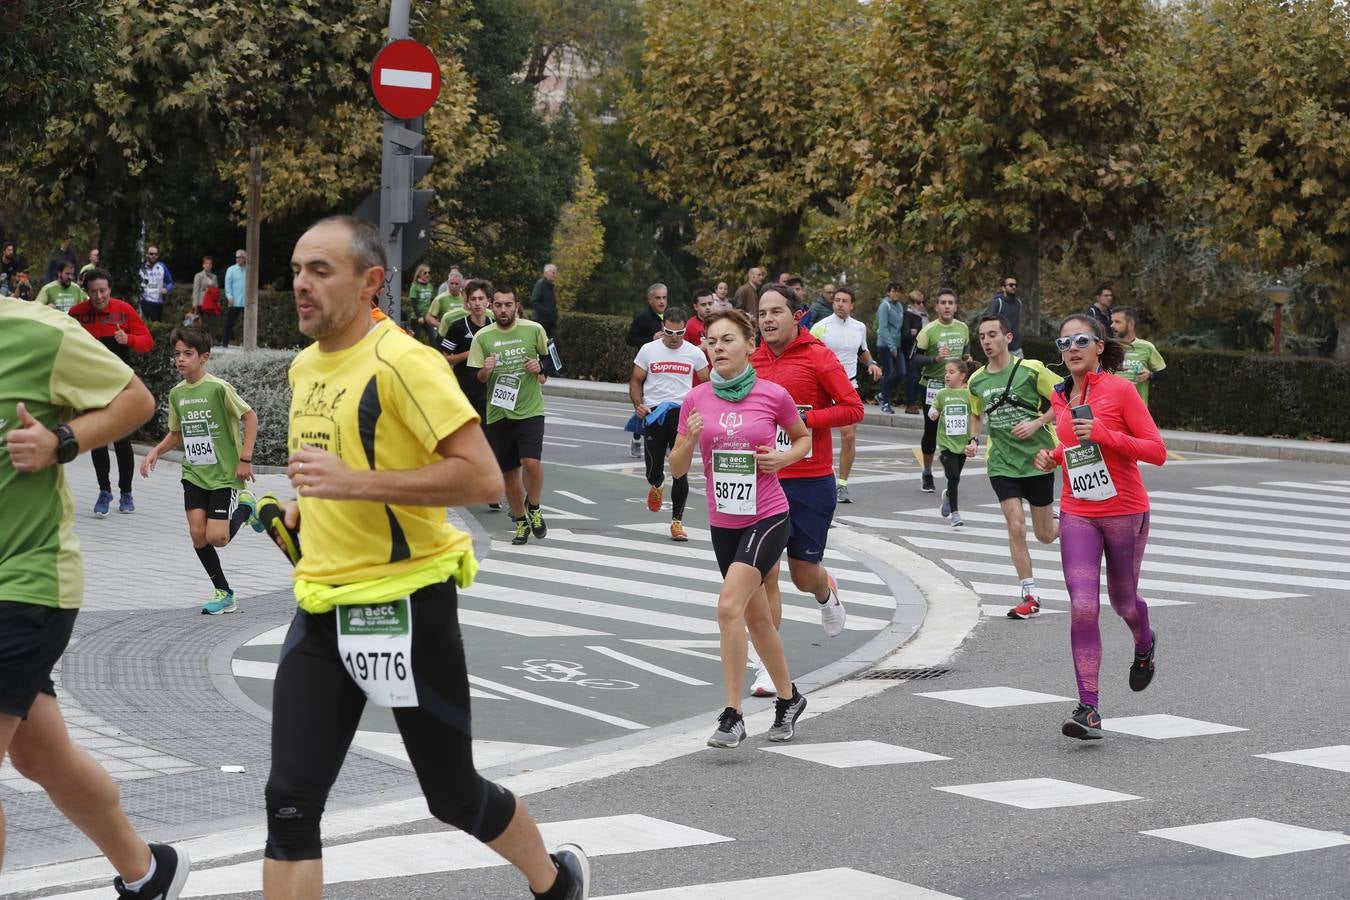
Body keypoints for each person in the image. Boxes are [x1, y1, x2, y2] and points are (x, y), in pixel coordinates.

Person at [262, 216, 590, 899]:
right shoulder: (303, 365)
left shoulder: (402, 361)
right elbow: (337, 467)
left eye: (321, 270)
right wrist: (305, 510)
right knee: (290, 801)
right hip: (323, 607)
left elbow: (476, 477)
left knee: (452, 795)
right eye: (296, 269)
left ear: (371, 281)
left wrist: (355, 484)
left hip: (405, 607)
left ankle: (555, 883)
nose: (301, 284)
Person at [0, 294, 190, 897]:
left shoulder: (37, 332)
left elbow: (136, 399)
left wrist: (62, 441)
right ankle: (148, 873)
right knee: (41, 756)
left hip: (24, 581)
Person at [669, 309, 811, 749]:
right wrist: (689, 441)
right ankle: (789, 699)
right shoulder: (696, 400)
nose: (718, 348)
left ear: (750, 345)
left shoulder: (773, 395)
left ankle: (732, 715)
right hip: (722, 520)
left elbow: (802, 439)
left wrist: (782, 459)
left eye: (728, 340)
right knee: (755, 616)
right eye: (711, 341)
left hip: (767, 515)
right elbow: (675, 468)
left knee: (729, 608)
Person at [1034, 314, 1165, 740]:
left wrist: (1107, 434)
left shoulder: (1122, 390)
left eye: (1081, 340)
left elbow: (1156, 451)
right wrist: (1052, 457)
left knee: (1123, 602)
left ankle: (1144, 643)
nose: (1071, 348)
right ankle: (1088, 707)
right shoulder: (1061, 397)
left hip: (1125, 511)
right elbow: (1074, 447)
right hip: (1078, 511)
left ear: (1099, 347)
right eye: (1064, 343)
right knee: (1083, 606)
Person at [750, 285, 858, 693]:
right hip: (763, 479)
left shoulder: (818, 357)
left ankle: (825, 591)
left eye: (776, 311)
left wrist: (803, 422)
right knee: (764, 574)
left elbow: (853, 408)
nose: (767, 320)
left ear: (797, 316)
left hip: (810, 479)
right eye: (762, 313)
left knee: (802, 574)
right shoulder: (752, 359)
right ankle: (767, 666)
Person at [140, 327, 260, 614]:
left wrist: (245, 458)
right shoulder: (177, 394)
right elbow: (176, 433)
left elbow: (250, 416)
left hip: (223, 475)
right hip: (194, 473)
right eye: (177, 354)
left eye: (188, 354)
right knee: (197, 534)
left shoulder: (219, 388)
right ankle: (224, 592)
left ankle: (246, 507)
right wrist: (156, 450)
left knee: (217, 538)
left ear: (204, 357)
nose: (180, 359)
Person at [968, 314, 1062, 618]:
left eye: (993, 335)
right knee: (1016, 525)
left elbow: (1064, 400)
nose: (987, 341)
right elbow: (977, 413)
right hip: (1002, 463)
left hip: (1038, 459)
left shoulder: (1031, 370)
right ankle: (1029, 594)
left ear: (1008, 338)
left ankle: (1071, 519)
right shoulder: (976, 380)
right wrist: (973, 439)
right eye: (982, 336)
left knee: (1045, 534)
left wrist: (1036, 424)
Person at [470, 286, 552, 546]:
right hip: (498, 413)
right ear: (491, 307)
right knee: (508, 473)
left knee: (531, 463)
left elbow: (552, 363)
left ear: (517, 305)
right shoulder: (482, 337)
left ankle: (535, 507)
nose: (503, 310)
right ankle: (519, 521)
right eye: (499, 305)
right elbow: (478, 378)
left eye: (508, 305)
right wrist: (486, 370)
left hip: (530, 410)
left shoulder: (534, 329)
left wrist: (539, 366)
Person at [69, 269, 154, 516]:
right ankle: (104, 491)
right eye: (93, 291)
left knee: (122, 440)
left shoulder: (123, 310)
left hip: (121, 384)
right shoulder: (77, 314)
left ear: (110, 289)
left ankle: (126, 492)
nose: (98, 296)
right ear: (87, 291)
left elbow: (147, 341)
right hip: (92, 384)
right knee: (98, 439)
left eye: (103, 291)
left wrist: (127, 339)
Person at [630, 307, 709, 541]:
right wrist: (639, 405)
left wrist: (702, 409)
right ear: (662, 328)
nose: (674, 338)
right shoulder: (649, 350)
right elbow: (635, 380)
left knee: (680, 471)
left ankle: (677, 522)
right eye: (669, 332)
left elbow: (706, 384)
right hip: (654, 413)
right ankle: (657, 484)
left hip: (681, 414)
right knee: (653, 470)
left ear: (686, 329)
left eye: (680, 333)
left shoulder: (694, 353)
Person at [809, 285, 881, 503]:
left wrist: (871, 363)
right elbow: (808, 352)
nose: (839, 304)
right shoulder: (821, 327)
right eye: (836, 300)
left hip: (848, 385)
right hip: (823, 386)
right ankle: (818, 478)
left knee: (848, 435)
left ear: (852, 305)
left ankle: (842, 484)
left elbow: (861, 350)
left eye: (844, 300)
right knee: (817, 435)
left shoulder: (859, 327)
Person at [910, 288, 970, 492]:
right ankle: (927, 471)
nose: (946, 306)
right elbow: (914, 359)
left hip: (957, 389)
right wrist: (933, 359)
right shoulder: (928, 330)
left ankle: (952, 475)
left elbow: (966, 351)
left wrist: (967, 360)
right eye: (943, 302)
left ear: (956, 307)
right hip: (933, 386)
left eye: (950, 303)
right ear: (936, 307)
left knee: (957, 430)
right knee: (931, 430)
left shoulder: (962, 328)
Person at [928, 360, 980, 527]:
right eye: (946, 372)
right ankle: (955, 514)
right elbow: (932, 409)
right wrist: (934, 413)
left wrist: (973, 439)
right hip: (946, 444)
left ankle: (948, 498)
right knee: (954, 476)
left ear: (962, 376)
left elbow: (975, 416)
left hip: (962, 444)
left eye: (951, 372)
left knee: (954, 480)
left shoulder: (968, 395)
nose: (947, 375)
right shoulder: (942, 393)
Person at [440, 278, 493, 423]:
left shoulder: (494, 325)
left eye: (481, 299)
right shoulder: (458, 327)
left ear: (488, 301)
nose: (477, 303)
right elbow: (444, 358)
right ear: (467, 302)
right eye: (473, 299)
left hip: (488, 389)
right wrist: (468, 354)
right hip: (464, 387)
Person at [625, 284, 669, 458]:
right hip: (646, 368)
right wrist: (650, 339)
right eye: (658, 298)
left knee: (664, 404)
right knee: (645, 404)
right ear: (650, 299)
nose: (661, 301)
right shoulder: (643, 317)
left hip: (664, 368)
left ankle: (663, 441)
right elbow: (630, 339)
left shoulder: (669, 317)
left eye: (664, 297)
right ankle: (636, 438)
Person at [1110, 307, 1167, 406]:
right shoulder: (1107, 347)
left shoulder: (1147, 347)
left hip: (1137, 408)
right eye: (1112, 322)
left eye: (1117, 322)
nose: (1112, 325)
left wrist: (1150, 375)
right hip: (1111, 408)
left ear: (1131, 324)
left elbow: (1164, 374)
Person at [875, 283, 905, 414]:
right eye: (894, 291)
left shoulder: (899, 306)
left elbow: (899, 327)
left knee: (902, 373)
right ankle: (885, 403)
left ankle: (882, 394)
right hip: (885, 345)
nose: (896, 294)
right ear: (888, 292)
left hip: (897, 346)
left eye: (899, 291)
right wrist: (891, 346)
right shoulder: (884, 306)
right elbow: (883, 328)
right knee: (889, 372)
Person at [901, 289, 928, 413]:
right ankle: (910, 404)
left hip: (923, 351)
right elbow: (906, 334)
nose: (921, 305)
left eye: (923, 302)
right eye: (918, 303)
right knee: (913, 377)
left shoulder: (924, 316)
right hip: (911, 351)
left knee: (919, 378)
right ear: (912, 303)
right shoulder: (908, 314)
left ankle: (915, 402)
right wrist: (917, 334)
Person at [984, 276, 1025, 357]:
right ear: (1003, 288)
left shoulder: (1018, 303)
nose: (1014, 287)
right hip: (1001, 348)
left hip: (1017, 348)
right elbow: (987, 323)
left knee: (1021, 369)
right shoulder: (998, 302)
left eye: (1015, 285)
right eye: (1011, 285)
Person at [427, 269, 468, 335]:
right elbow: (429, 317)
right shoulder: (440, 298)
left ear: (461, 285)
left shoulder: (465, 297)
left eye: (456, 284)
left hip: (463, 333)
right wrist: (440, 325)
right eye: (451, 283)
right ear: (448, 283)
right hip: (446, 334)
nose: (453, 286)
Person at [138, 245, 173, 322]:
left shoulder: (162, 267)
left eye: (156, 254)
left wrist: (166, 289)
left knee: (157, 324)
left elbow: (170, 282)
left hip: (158, 302)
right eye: (151, 254)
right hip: (145, 300)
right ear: (147, 254)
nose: (153, 256)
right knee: (149, 323)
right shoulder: (141, 267)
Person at [405, 263, 437, 343]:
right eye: (425, 272)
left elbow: (433, 301)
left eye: (429, 272)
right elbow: (413, 303)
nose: (427, 274)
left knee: (433, 338)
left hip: (427, 316)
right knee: (415, 339)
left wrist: (433, 315)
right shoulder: (415, 286)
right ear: (419, 274)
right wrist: (419, 316)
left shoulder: (430, 286)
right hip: (416, 317)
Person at [222, 250, 247, 348]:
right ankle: (225, 343)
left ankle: (247, 344)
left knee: (248, 325)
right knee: (230, 323)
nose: (238, 259)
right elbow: (227, 285)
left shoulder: (248, 270)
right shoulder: (231, 269)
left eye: (240, 257)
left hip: (246, 302)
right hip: (234, 301)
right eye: (237, 257)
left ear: (245, 258)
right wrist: (229, 297)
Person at [684, 287, 716, 359]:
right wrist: (700, 348)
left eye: (710, 303)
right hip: (700, 368)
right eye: (703, 305)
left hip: (720, 367)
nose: (708, 307)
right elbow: (683, 353)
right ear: (695, 307)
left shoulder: (721, 323)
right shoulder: (689, 325)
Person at [529, 263, 559, 339]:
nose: (555, 275)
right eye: (553, 272)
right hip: (541, 321)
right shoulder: (541, 284)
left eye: (555, 273)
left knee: (555, 344)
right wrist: (547, 312)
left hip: (550, 322)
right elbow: (534, 301)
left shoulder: (550, 287)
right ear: (546, 273)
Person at [191, 256, 218, 321]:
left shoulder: (214, 276)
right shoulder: (198, 275)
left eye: (210, 264)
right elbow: (196, 290)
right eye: (206, 263)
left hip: (211, 304)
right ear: (203, 265)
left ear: (212, 265)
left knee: (210, 323)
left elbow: (216, 290)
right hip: (201, 303)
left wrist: (217, 302)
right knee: (199, 323)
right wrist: (195, 304)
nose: (208, 265)